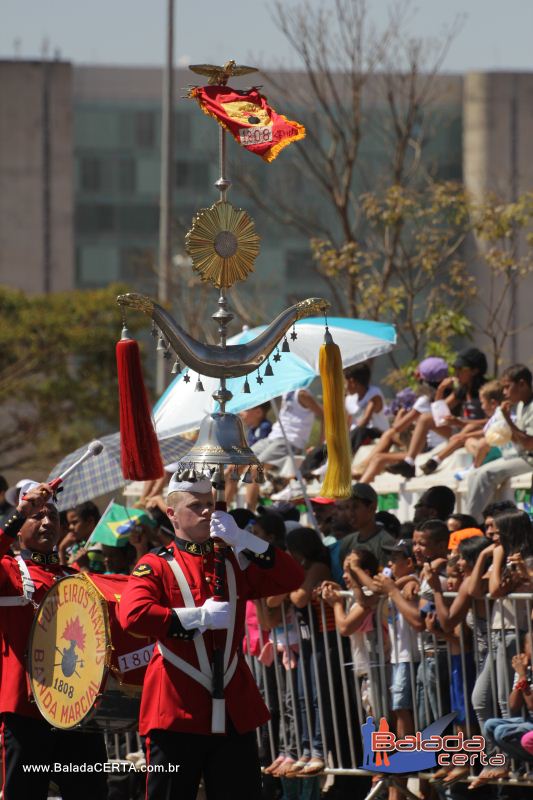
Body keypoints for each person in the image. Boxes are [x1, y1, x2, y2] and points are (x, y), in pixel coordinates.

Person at [118, 472, 304, 800]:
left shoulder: (232, 560)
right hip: (177, 707)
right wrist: (198, 617)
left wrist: (245, 539)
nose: (206, 511)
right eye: (195, 505)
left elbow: (292, 576)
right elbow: (133, 615)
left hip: (233, 703)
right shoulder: (156, 565)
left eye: (210, 504)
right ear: (172, 513)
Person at [0, 481, 108, 799]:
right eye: (37, 516)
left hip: (78, 712)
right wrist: (20, 512)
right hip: (26, 711)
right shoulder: (9, 570)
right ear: (19, 529)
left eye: (54, 517)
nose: (48, 522)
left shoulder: (75, 577)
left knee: (91, 792)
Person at [388, 347, 487, 479]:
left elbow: (492, 420)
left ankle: (436, 460)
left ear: (475, 370)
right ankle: (409, 462)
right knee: (425, 419)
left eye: (461, 369)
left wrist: (459, 422)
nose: (457, 373)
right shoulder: (462, 390)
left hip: (477, 432)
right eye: (455, 369)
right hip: (460, 432)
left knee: (471, 426)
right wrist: (441, 389)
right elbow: (438, 413)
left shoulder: (486, 389)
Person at [358, 357, 449, 484]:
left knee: (379, 456)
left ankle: (358, 490)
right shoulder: (451, 396)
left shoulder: (424, 400)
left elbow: (397, 427)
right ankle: (363, 467)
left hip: (430, 448)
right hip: (443, 442)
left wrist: (400, 414)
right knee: (389, 436)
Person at [465, 364, 533, 520]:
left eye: (507, 387)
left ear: (522, 384)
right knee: (474, 474)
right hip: (520, 455)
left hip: (529, 458)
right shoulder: (521, 405)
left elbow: (529, 443)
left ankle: (470, 523)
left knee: (485, 474)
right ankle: (482, 522)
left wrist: (506, 418)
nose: (504, 392)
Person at [246, 389, 323, 509]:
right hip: (273, 437)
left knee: (255, 468)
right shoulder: (286, 390)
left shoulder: (302, 394)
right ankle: (221, 509)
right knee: (234, 465)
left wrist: (320, 446)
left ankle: (248, 513)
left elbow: (324, 415)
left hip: (289, 440)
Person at [335, 483, 397, 567]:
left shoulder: (385, 543)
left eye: (355, 507)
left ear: (372, 508)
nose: (350, 513)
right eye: (347, 507)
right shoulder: (347, 542)